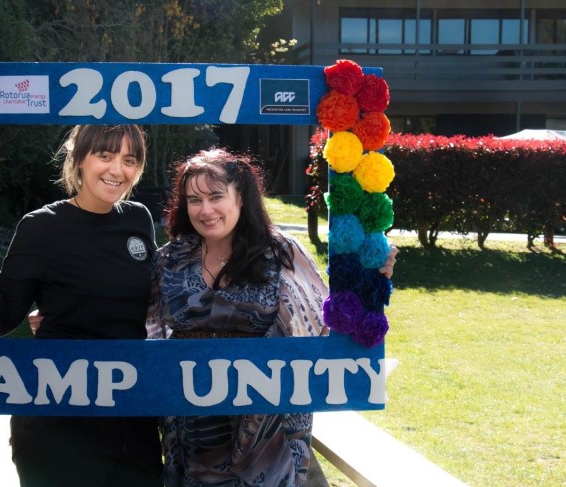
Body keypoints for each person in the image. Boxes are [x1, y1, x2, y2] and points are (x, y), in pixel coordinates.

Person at [146, 148, 396, 487]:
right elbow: (148, 331)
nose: (205, 210)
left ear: (242, 198)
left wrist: (372, 276)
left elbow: (324, 325)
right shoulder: (170, 259)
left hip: (267, 424)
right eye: (194, 200)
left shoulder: (282, 254)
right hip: (192, 425)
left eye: (216, 197)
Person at [0, 124, 163, 486]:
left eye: (129, 160)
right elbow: (0, 317)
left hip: (130, 413)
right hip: (57, 419)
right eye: (105, 155)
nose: (117, 170)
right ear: (79, 159)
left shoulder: (138, 219)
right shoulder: (40, 227)